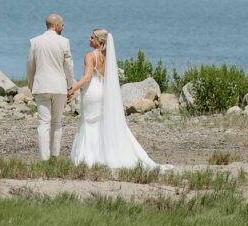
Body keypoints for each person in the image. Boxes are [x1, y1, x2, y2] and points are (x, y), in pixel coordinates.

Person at [67, 29, 171, 171]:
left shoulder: (90, 55)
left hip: (92, 92)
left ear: (100, 41)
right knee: (101, 122)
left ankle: (89, 156)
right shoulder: (108, 57)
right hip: (103, 92)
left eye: (92, 37)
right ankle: (103, 154)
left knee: (89, 122)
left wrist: (72, 89)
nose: (89, 39)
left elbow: (86, 78)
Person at [26, 13, 74, 161]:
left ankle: (44, 158)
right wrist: (70, 85)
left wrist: (31, 85)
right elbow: (68, 66)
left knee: (43, 123)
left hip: (41, 86)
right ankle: (54, 156)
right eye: (63, 24)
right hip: (59, 86)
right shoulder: (64, 42)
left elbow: (30, 65)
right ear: (57, 25)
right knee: (56, 123)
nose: (63, 27)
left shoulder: (35, 41)